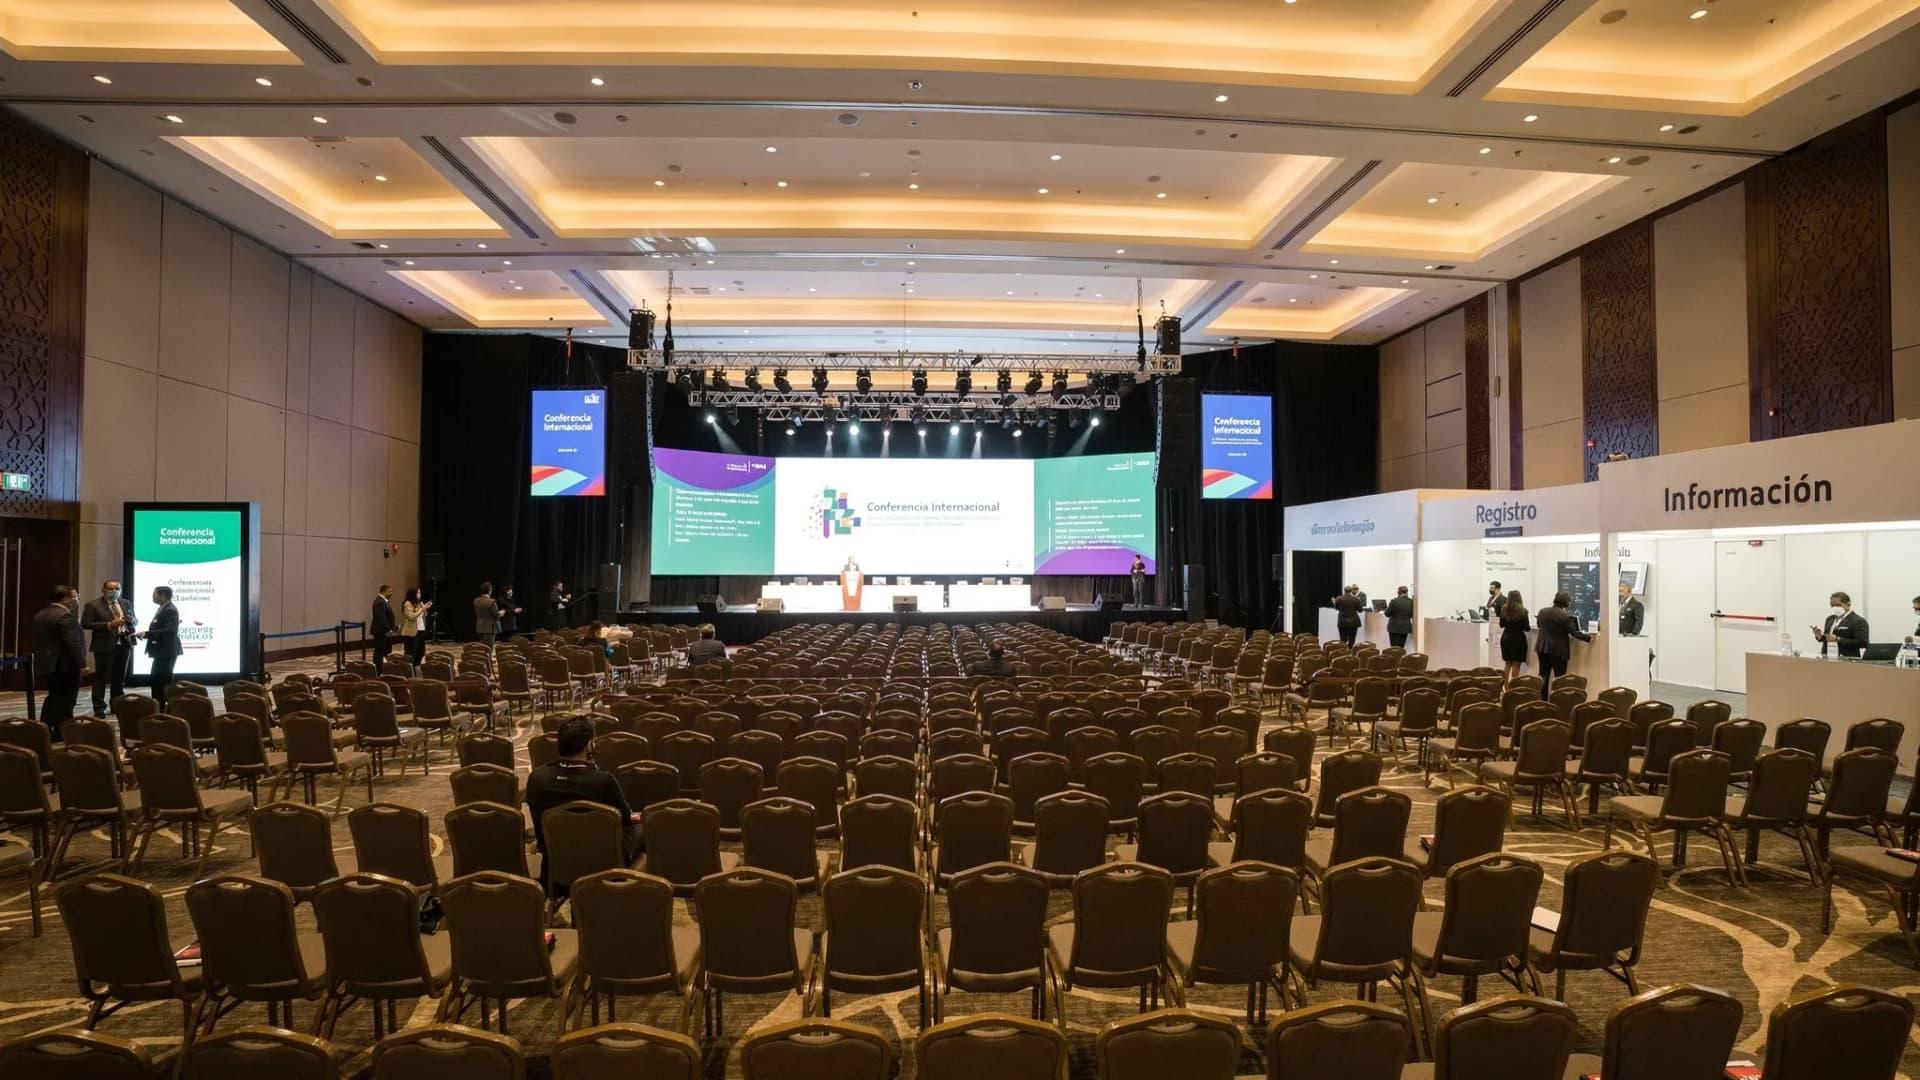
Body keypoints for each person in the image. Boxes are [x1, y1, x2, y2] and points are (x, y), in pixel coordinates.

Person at [525, 715, 643, 891]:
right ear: (589, 745)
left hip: (555, 866)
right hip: (602, 868)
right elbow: (626, 818)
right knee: (646, 827)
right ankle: (627, 893)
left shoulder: (536, 778)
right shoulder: (603, 781)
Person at [31, 585, 84, 739]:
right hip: (65, 665)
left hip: (47, 664)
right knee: (66, 699)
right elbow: (73, 643)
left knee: (54, 696)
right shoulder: (65, 616)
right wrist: (82, 664)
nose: (77, 600)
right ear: (65, 599)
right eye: (75, 597)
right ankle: (63, 732)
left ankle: (45, 729)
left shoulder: (41, 614)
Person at [80, 579, 136, 718]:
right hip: (104, 646)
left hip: (124, 644)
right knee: (101, 678)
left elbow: (135, 620)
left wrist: (132, 621)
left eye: (117, 588)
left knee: (119, 677)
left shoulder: (126, 603)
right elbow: (86, 623)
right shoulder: (93, 605)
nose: (114, 591)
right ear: (103, 590)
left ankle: (116, 705)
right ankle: (99, 708)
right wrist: (109, 625)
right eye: (110, 589)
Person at [1534, 591, 1592, 692]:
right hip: (1558, 651)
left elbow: (1539, 625)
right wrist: (1588, 638)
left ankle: (1542, 702)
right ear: (1566, 603)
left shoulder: (1542, 612)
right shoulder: (1565, 616)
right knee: (1559, 678)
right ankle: (1557, 700)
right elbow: (1574, 633)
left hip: (1542, 647)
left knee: (1543, 676)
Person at [141, 584, 183, 712]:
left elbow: (170, 630)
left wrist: (147, 634)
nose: (153, 597)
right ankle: (158, 706)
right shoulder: (163, 608)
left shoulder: (169, 609)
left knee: (161, 681)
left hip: (166, 651)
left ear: (163, 595)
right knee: (156, 680)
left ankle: (162, 709)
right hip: (161, 651)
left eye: (155, 594)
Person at [1815, 591, 1868, 658]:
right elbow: (1829, 638)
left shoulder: (1858, 621)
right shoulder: (1830, 619)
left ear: (1848, 604)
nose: (1834, 607)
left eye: (1837, 605)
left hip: (1847, 660)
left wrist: (1838, 639)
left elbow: (1863, 643)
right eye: (1832, 605)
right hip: (1827, 658)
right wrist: (1820, 636)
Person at [1497, 590, 1530, 685]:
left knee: (1507, 664)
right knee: (1516, 664)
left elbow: (1501, 624)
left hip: (1506, 638)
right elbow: (1527, 628)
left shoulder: (1503, 610)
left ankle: (1505, 688)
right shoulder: (1523, 611)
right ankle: (1513, 688)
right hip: (1518, 639)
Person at [401, 587, 431, 665]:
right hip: (411, 632)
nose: (419, 595)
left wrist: (425, 609)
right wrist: (421, 609)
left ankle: (416, 667)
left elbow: (423, 616)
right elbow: (411, 616)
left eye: (420, 593)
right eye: (418, 593)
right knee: (411, 653)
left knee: (420, 652)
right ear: (413, 594)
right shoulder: (407, 603)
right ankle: (409, 670)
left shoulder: (419, 603)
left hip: (421, 630)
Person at [371, 584, 397, 658]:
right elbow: (381, 618)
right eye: (389, 591)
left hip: (383, 631)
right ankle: (378, 667)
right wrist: (388, 630)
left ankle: (381, 666)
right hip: (381, 631)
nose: (391, 593)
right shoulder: (380, 602)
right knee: (379, 651)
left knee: (386, 650)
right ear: (384, 592)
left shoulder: (383, 601)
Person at [473, 582, 502, 647]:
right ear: (489, 591)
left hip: (480, 627)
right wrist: (501, 612)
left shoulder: (476, 601)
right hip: (490, 628)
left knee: (482, 648)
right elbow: (496, 615)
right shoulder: (491, 601)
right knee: (489, 648)